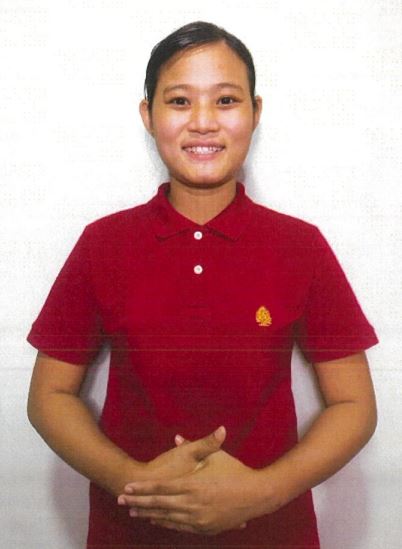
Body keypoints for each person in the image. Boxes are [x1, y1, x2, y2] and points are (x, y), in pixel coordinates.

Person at [26, 20, 379, 549]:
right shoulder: (104, 244)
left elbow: (355, 406)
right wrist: (136, 483)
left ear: (255, 112)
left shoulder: (299, 245)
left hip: (272, 534)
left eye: (226, 100)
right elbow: (49, 396)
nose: (204, 122)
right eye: (179, 101)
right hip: (131, 534)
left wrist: (261, 492)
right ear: (148, 115)